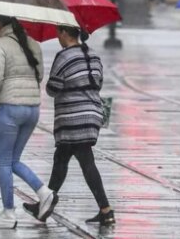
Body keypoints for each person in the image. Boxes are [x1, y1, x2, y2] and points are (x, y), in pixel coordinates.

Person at [24, 26, 115, 226]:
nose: (57, 36)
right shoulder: (93, 55)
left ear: (66, 34)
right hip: (92, 114)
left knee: (85, 161)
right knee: (61, 159)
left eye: (58, 33)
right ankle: (45, 205)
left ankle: (106, 209)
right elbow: (98, 84)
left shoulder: (64, 57)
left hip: (73, 118)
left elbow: (53, 89)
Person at [0, 14, 56, 229]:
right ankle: (44, 193)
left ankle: (8, 213)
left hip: (10, 108)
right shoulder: (32, 43)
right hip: (32, 109)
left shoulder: (1, 44)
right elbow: (40, 74)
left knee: (3, 161)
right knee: (13, 160)